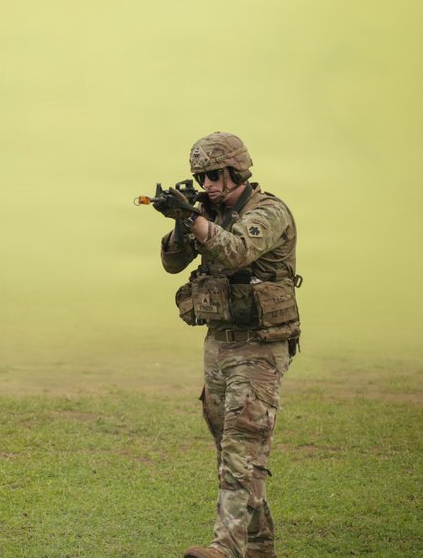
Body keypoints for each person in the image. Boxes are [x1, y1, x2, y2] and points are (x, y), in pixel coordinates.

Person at [153, 132, 302, 558]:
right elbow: (171, 264)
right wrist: (183, 222)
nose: (208, 184)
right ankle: (259, 548)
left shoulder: (269, 211)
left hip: (261, 347)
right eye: (200, 177)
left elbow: (236, 251)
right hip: (219, 344)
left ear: (237, 169)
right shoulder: (207, 212)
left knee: (241, 451)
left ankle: (226, 549)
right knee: (236, 453)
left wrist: (196, 220)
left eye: (214, 174)